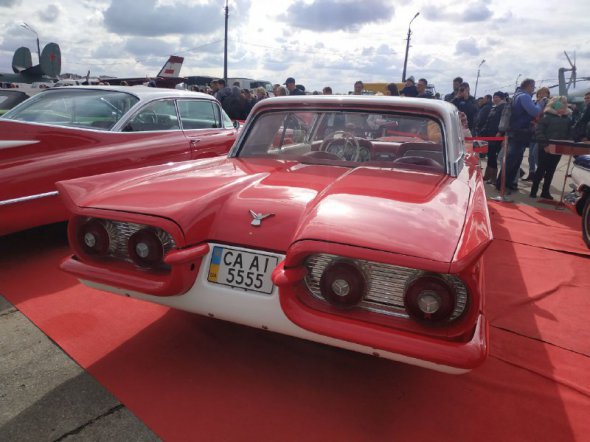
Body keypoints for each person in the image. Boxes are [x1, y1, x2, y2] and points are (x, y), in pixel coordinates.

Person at [495, 78, 542, 193]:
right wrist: (541, 104)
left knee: (513, 160)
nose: (534, 90)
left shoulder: (517, 95)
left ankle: (506, 184)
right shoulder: (524, 97)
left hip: (514, 132)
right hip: (519, 133)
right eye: (533, 87)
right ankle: (503, 185)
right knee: (512, 161)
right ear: (529, 86)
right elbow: (535, 111)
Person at [530, 96, 573, 200]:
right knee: (541, 169)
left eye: (564, 104)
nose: (562, 106)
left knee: (551, 170)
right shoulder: (546, 117)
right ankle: (534, 190)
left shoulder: (568, 119)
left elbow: (570, 133)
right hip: (545, 148)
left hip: (558, 148)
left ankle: (545, 192)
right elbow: (539, 132)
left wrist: (567, 143)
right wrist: (545, 145)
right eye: (560, 104)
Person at [523, 87, 550, 181]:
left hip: (542, 133)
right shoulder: (534, 103)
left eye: (544, 93)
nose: (542, 95)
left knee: (535, 153)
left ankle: (542, 171)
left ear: (548, 94)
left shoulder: (549, 103)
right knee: (530, 154)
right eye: (540, 93)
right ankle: (531, 173)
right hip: (532, 132)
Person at [480, 91, 507, 183]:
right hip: (489, 135)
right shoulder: (494, 108)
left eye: (497, 97)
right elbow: (488, 121)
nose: (495, 99)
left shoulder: (504, 107)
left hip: (497, 136)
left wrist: (500, 132)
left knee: (493, 156)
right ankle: (488, 175)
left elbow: (504, 122)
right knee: (490, 155)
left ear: (501, 98)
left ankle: (493, 178)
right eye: (494, 97)